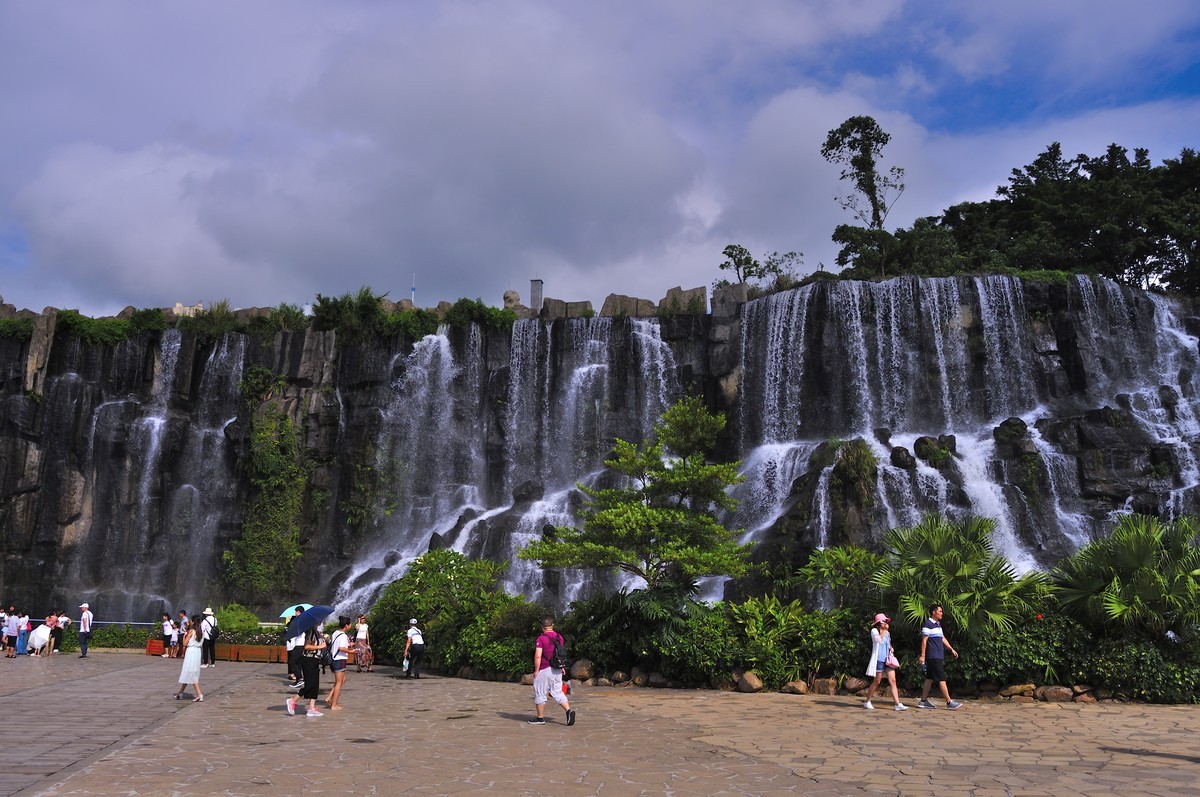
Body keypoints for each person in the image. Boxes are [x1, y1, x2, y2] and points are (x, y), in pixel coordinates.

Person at [528, 615, 574, 726]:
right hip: (557, 669)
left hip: (544, 668)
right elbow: (560, 653)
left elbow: (538, 656)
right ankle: (568, 710)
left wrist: (536, 670)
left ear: (542, 627)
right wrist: (562, 668)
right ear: (552, 625)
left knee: (540, 692)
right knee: (557, 692)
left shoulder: (541, 638)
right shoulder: (559, 637)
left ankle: (540, 718)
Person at [917, 604, 961, 710]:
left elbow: (942, 638)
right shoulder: (928, 624)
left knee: (929, 678)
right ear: (933, 612)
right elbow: (924, 640)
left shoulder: (938, 624)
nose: (942, 613)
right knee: (942, 678)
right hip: (933, 656)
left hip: (937, 656)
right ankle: (949, 702)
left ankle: (923, 701)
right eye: (940, 611)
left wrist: (951, 649)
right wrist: (922, 655)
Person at [863, 613, 907, 711]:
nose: (886, 623)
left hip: (887, 659)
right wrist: (884, 631)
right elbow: (878, 640)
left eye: (886, 621)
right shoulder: (874, 631)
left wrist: (891, 648)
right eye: (884, 621)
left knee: (893, 681)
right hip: (879, 659)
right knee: (877, 680)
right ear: (879, 622)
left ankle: (897, 704)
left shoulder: (887, 633)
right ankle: (868, 701)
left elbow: (888, 643)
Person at [287, 626, 326, 717]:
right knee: (310, 684)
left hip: (315, 660)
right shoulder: (310, 632)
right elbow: (307, 646)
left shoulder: (316, 632)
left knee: (315, 685)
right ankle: (293, 700)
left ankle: (311, 708)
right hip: (309, 660)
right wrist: (319, 646)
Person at [326, 616, 352, 711]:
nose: (351, 625)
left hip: (334, 659)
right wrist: (352, 651)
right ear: (346, 625)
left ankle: (329, 697)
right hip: (340, 660)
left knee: (342, 680)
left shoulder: (335, 633)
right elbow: (341, 648)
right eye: (350, 624)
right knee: (338, 683)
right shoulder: (344, 636)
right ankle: (334, 705)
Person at [175, 620, 203, 701]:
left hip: (191, 651)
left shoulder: (191, 631)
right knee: (189, 671)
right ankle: (180, 692)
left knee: (190, 671)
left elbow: (184, 643)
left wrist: (184, 636)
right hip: (197, 651)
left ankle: (199, 694)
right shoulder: (201, 632)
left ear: (193, 622)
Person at [286, 607, 305, 688]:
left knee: (292, 661)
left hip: (300, 644)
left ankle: (300, 678)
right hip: (297, 644)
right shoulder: (299, 620)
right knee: (296, 662)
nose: (295, 613)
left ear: (299, 612)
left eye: (296, 612)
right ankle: (298, 680)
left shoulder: (301, 620)